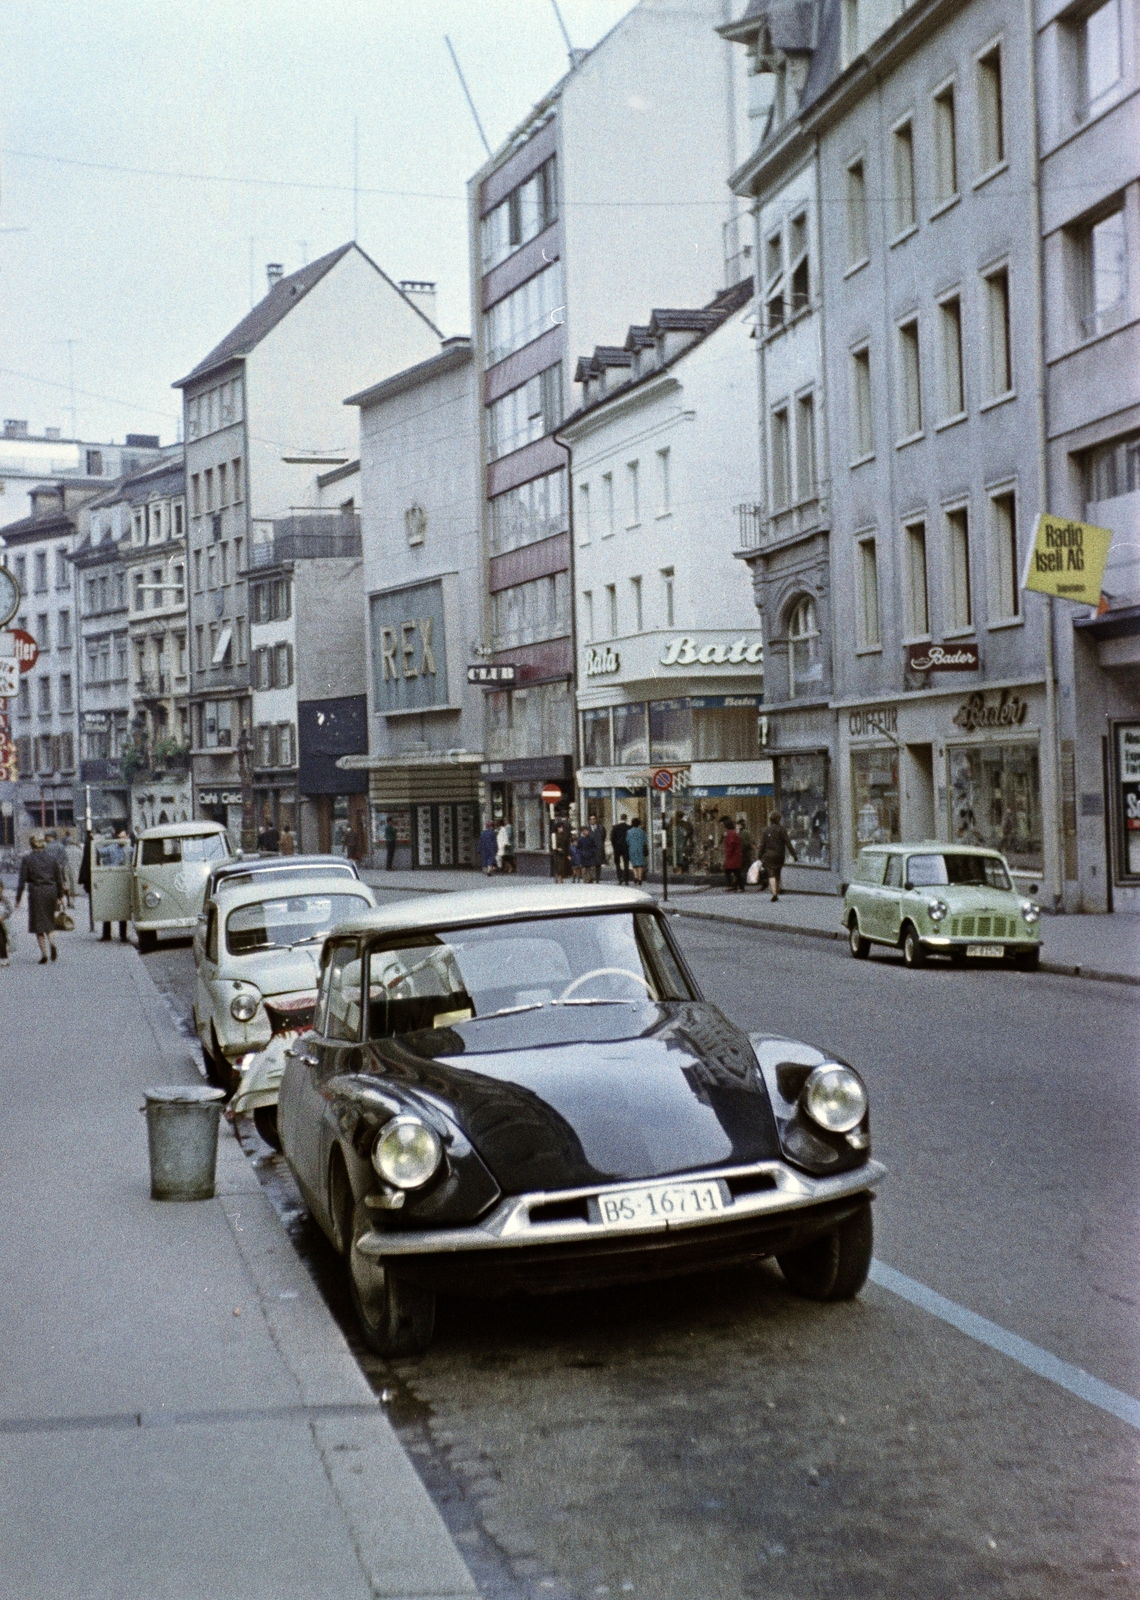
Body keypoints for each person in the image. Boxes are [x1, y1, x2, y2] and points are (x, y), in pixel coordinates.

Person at [16, 833, 67, 963]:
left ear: (31, 844)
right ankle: (52, 942)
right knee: (49, 920)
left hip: (36, 893)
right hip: (51, 891)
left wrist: (18, 898)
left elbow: (22, 881)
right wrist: (60, 895)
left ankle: (44, 954)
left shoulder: (27, 859)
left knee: (38, 924)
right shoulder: (52, 858)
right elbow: (59, 878)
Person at [98, 829, 131, 942]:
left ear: (127, 836)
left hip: (123, 881)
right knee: (108, 906)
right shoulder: (112, 848)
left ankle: (123, 935)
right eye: (119, 837)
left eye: (123, 837)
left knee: (122, 908)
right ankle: (106, 934)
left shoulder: (130, 850)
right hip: (111, 880)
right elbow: (99, 852)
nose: (121, 839)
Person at [759, 812, 798, 902]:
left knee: (771, 874)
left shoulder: (766, 830)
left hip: (768, 855)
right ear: (779, 819)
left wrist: (759, 855)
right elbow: (788, 843)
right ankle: (776, 890)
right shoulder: (782, 829)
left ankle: (774, 893)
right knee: (778, 873)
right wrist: (794, 855)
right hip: (779, 855)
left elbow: (762, 845)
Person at [721, 816, 744, 892]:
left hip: (732, 856)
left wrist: (728, 853)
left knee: (730, 871)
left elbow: (731, 844)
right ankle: (739, 886)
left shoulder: (730, 834)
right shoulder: (734, 833)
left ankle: (733, 886)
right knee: (736, 872)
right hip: (735, 855)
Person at [626, 816, 647, 886]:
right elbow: (645, 841)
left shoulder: (629, 832)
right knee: (640, 865)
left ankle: (635, 877)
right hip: (640, 849)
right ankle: (640, 878)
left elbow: (627, 841)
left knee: (634, 864)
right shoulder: (642, 832)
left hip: (632, 849)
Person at [611, 814, 630, 887]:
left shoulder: (615, 827)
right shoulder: (628, 827)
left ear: (620, 818)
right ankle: (626, 879)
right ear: (626, 819)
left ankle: (620, 878)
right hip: (625, 848)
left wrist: (614, 846)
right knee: (626, 863)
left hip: (617, 848)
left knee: (618, 863)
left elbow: (612, 838)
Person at [736, 815, 754, 890]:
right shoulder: (747, 832)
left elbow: (745, 843)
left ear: (741, 825)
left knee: (743, 869)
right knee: (747, 867)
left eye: (738, 825)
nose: (737, 826)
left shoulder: (742, 833)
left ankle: (741, 884)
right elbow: (750, 842)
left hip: (744, 853)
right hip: (747, 852)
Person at [589, 814, 606, 884]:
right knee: (590, 864)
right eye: (591, 819)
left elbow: (603, 836)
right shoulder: (587, 828)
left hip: (598, 848)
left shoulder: (601, 828)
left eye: (594, 819)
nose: (592, 820)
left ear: (596, 820)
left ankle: (597, 877)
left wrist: (600, 844)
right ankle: (590, 877)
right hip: (590, 848)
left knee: (598, 864)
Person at [0, 881, 12, 965]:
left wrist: (3, 917)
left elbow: (10, 909)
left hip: (2, 923)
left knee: (2, 940)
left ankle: (4, 957)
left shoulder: (4, 899)